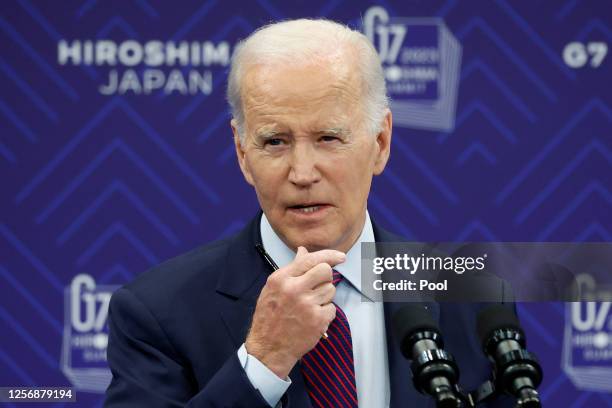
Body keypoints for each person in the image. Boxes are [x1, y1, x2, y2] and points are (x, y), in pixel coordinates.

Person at [104, 19, 509, 407]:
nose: (301, 173)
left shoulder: (469, 296)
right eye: (275, 141)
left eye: (328, 138)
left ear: (381, 142)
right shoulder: (158, 313)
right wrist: (262, 362)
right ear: (243, 152)